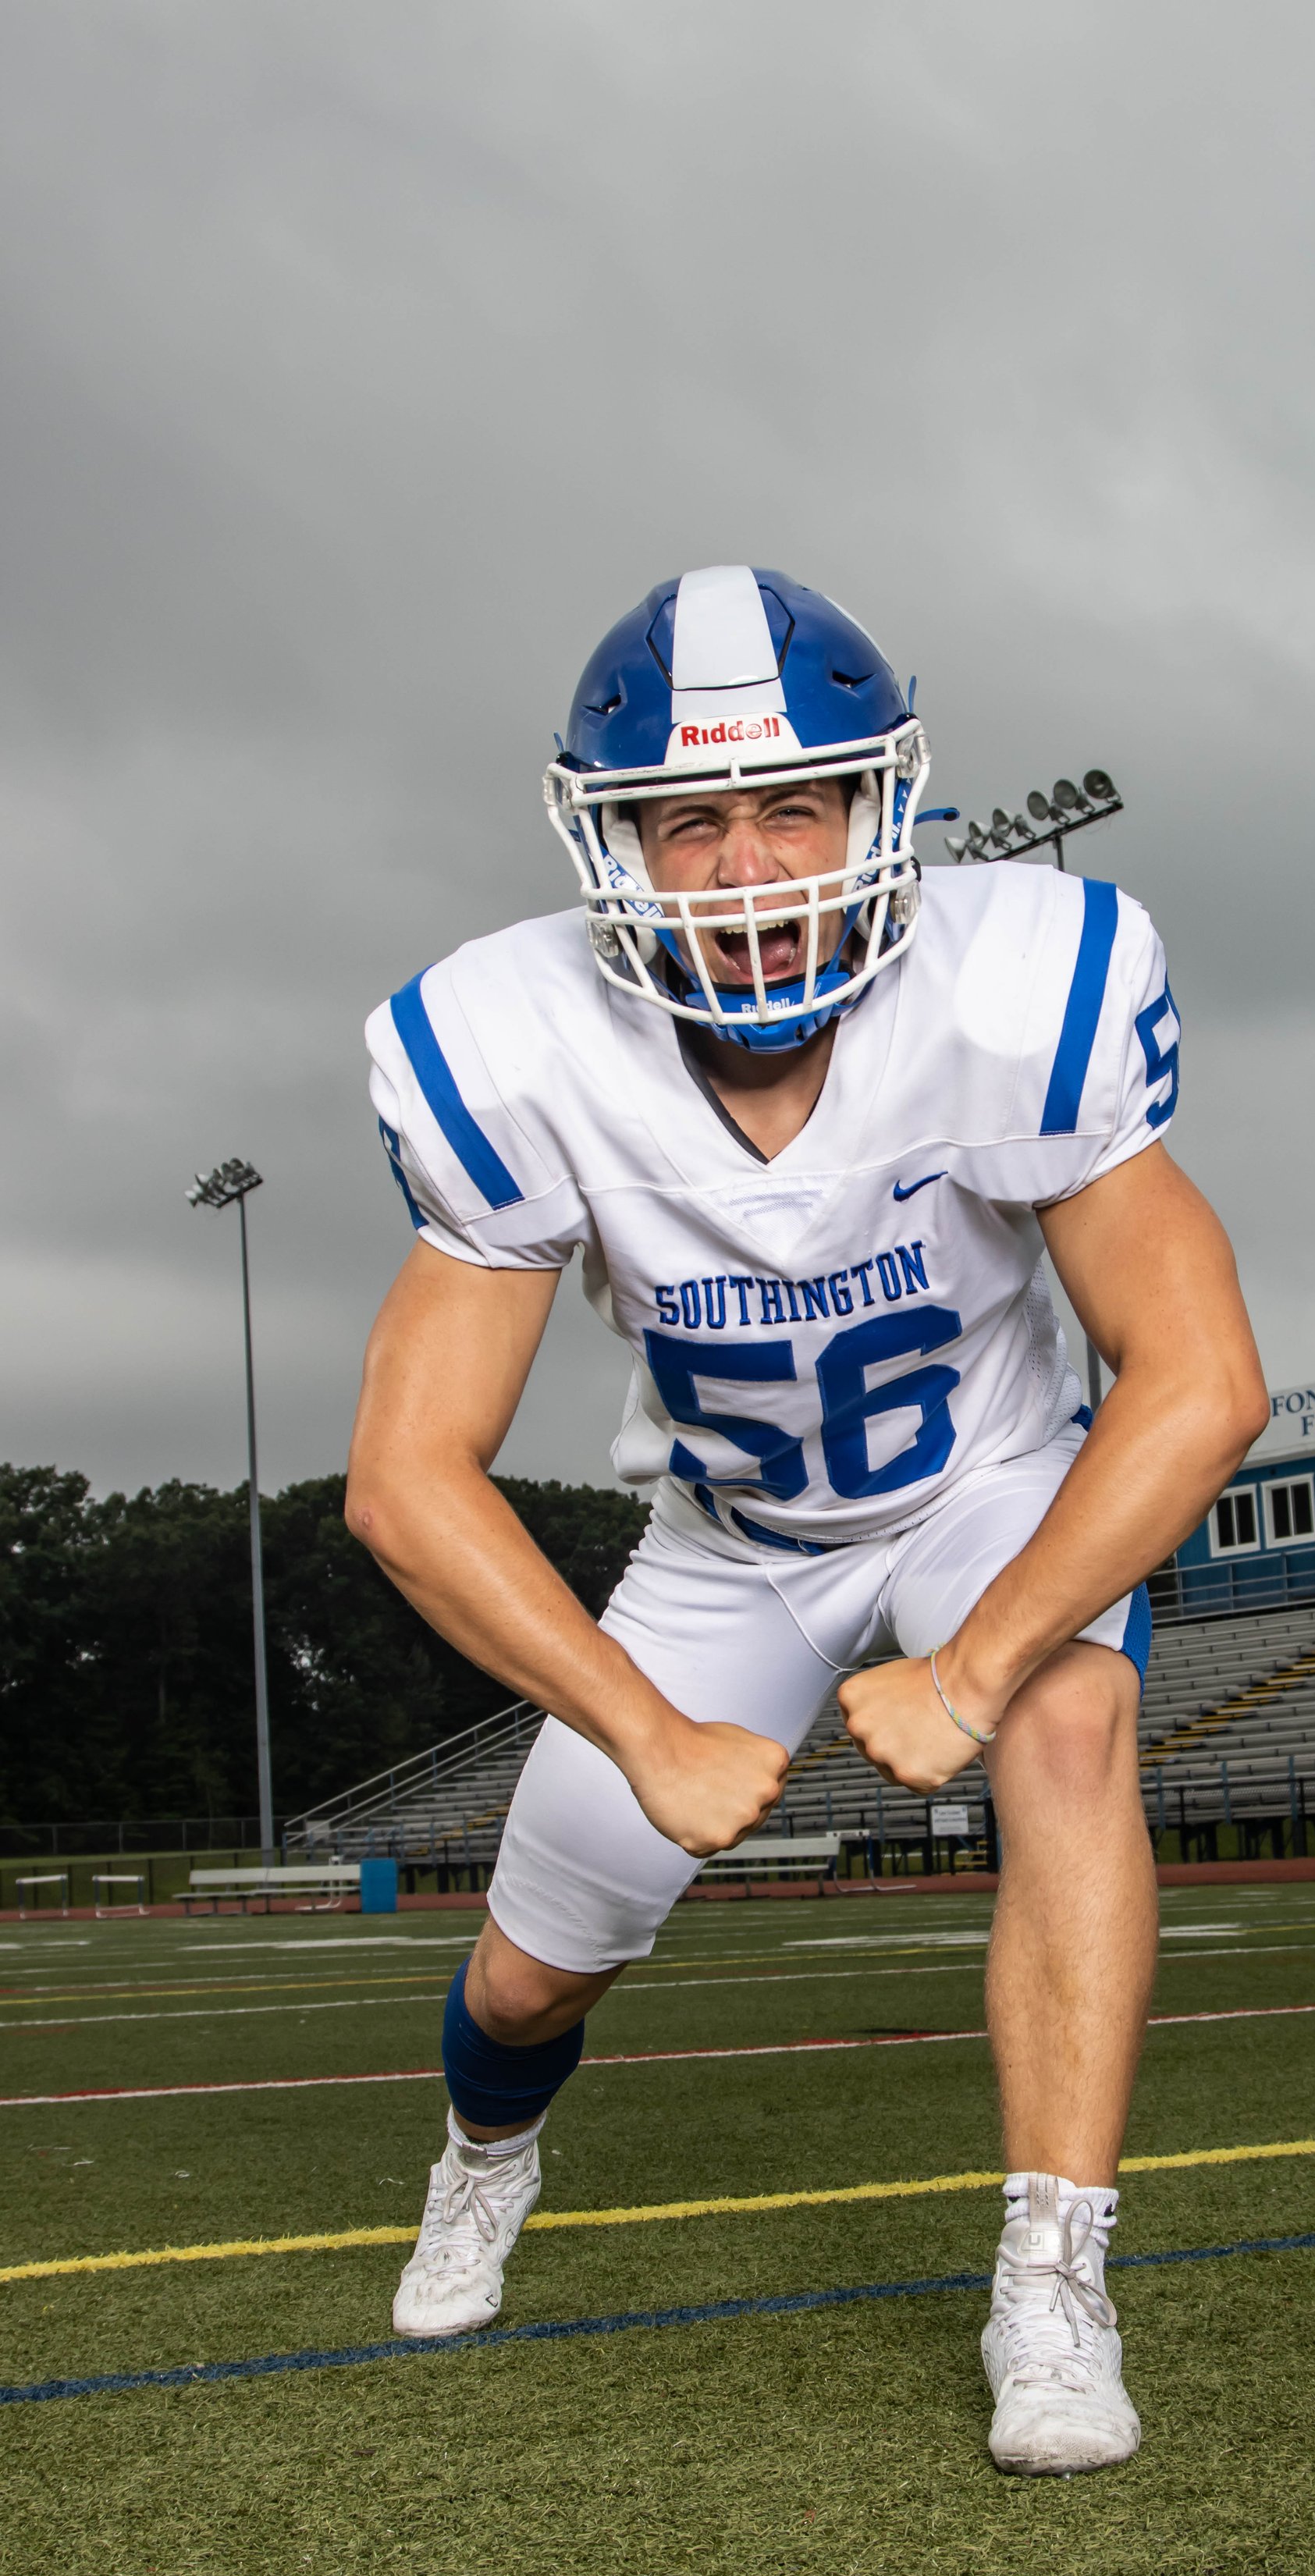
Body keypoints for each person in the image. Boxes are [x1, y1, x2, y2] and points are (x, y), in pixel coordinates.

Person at [346, 565, 1267, 2475]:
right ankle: (483, 2155)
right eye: (692, 821)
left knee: (1071, 1725)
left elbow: (1195, 1383)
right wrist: (646, 1728)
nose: (750, 863)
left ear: (878, 811)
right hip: (731, 1537)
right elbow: (404, 1480)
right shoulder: (515, 1048)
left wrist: (984, 1659)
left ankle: (1053, 2281)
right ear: (615, 850)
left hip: (988, 1484)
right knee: (530, 1971)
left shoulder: (1021, 989)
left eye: (793, 805)